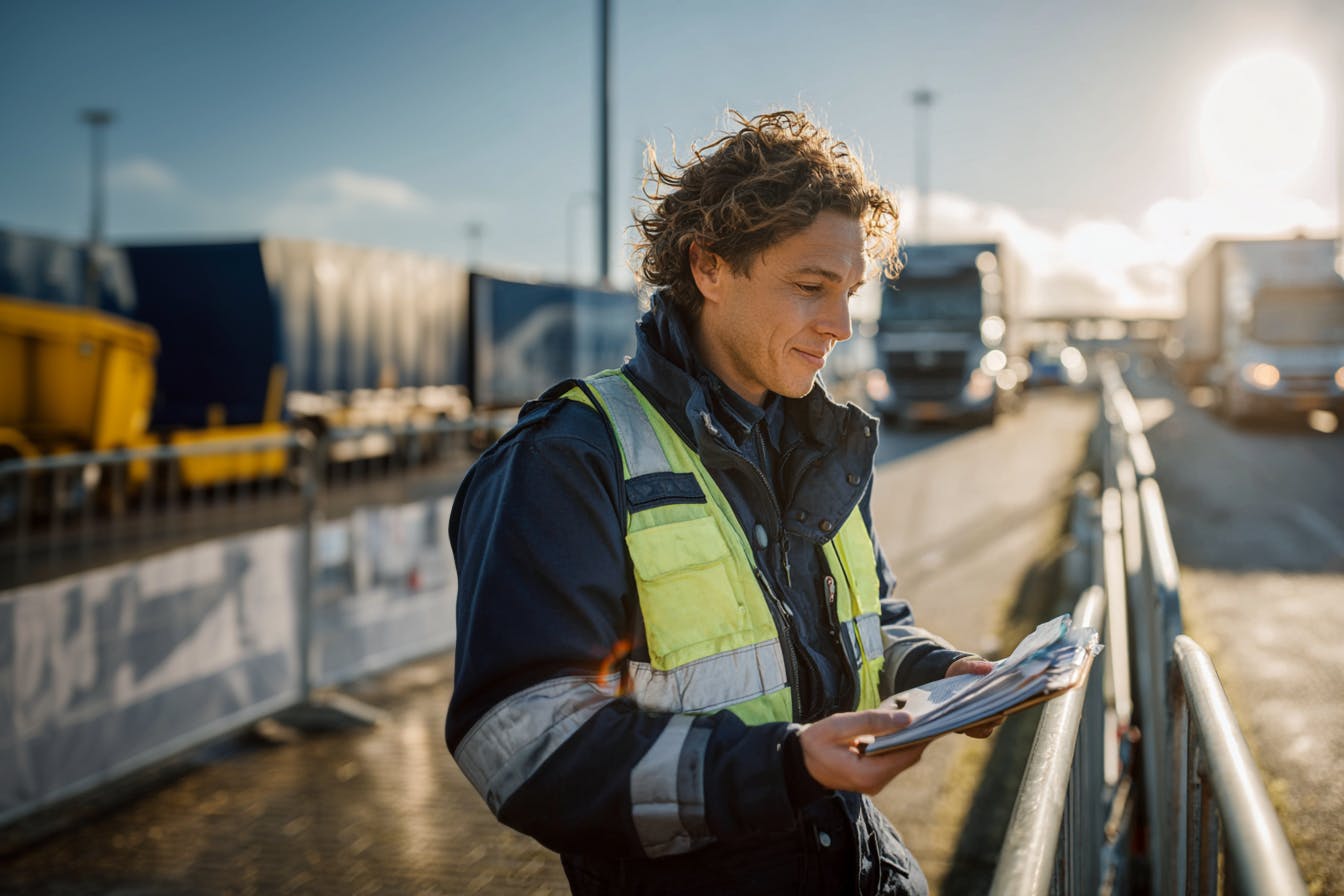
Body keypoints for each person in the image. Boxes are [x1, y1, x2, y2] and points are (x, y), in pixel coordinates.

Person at [445, 109, 998, 896]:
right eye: (811, 288)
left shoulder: (821, 443)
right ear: (708, 267)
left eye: (849, 292)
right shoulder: (568, 456)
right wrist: (779, 766)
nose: (840, 326)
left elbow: (868, 625)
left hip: (859, 867)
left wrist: (945, 675)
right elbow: (520, 742)